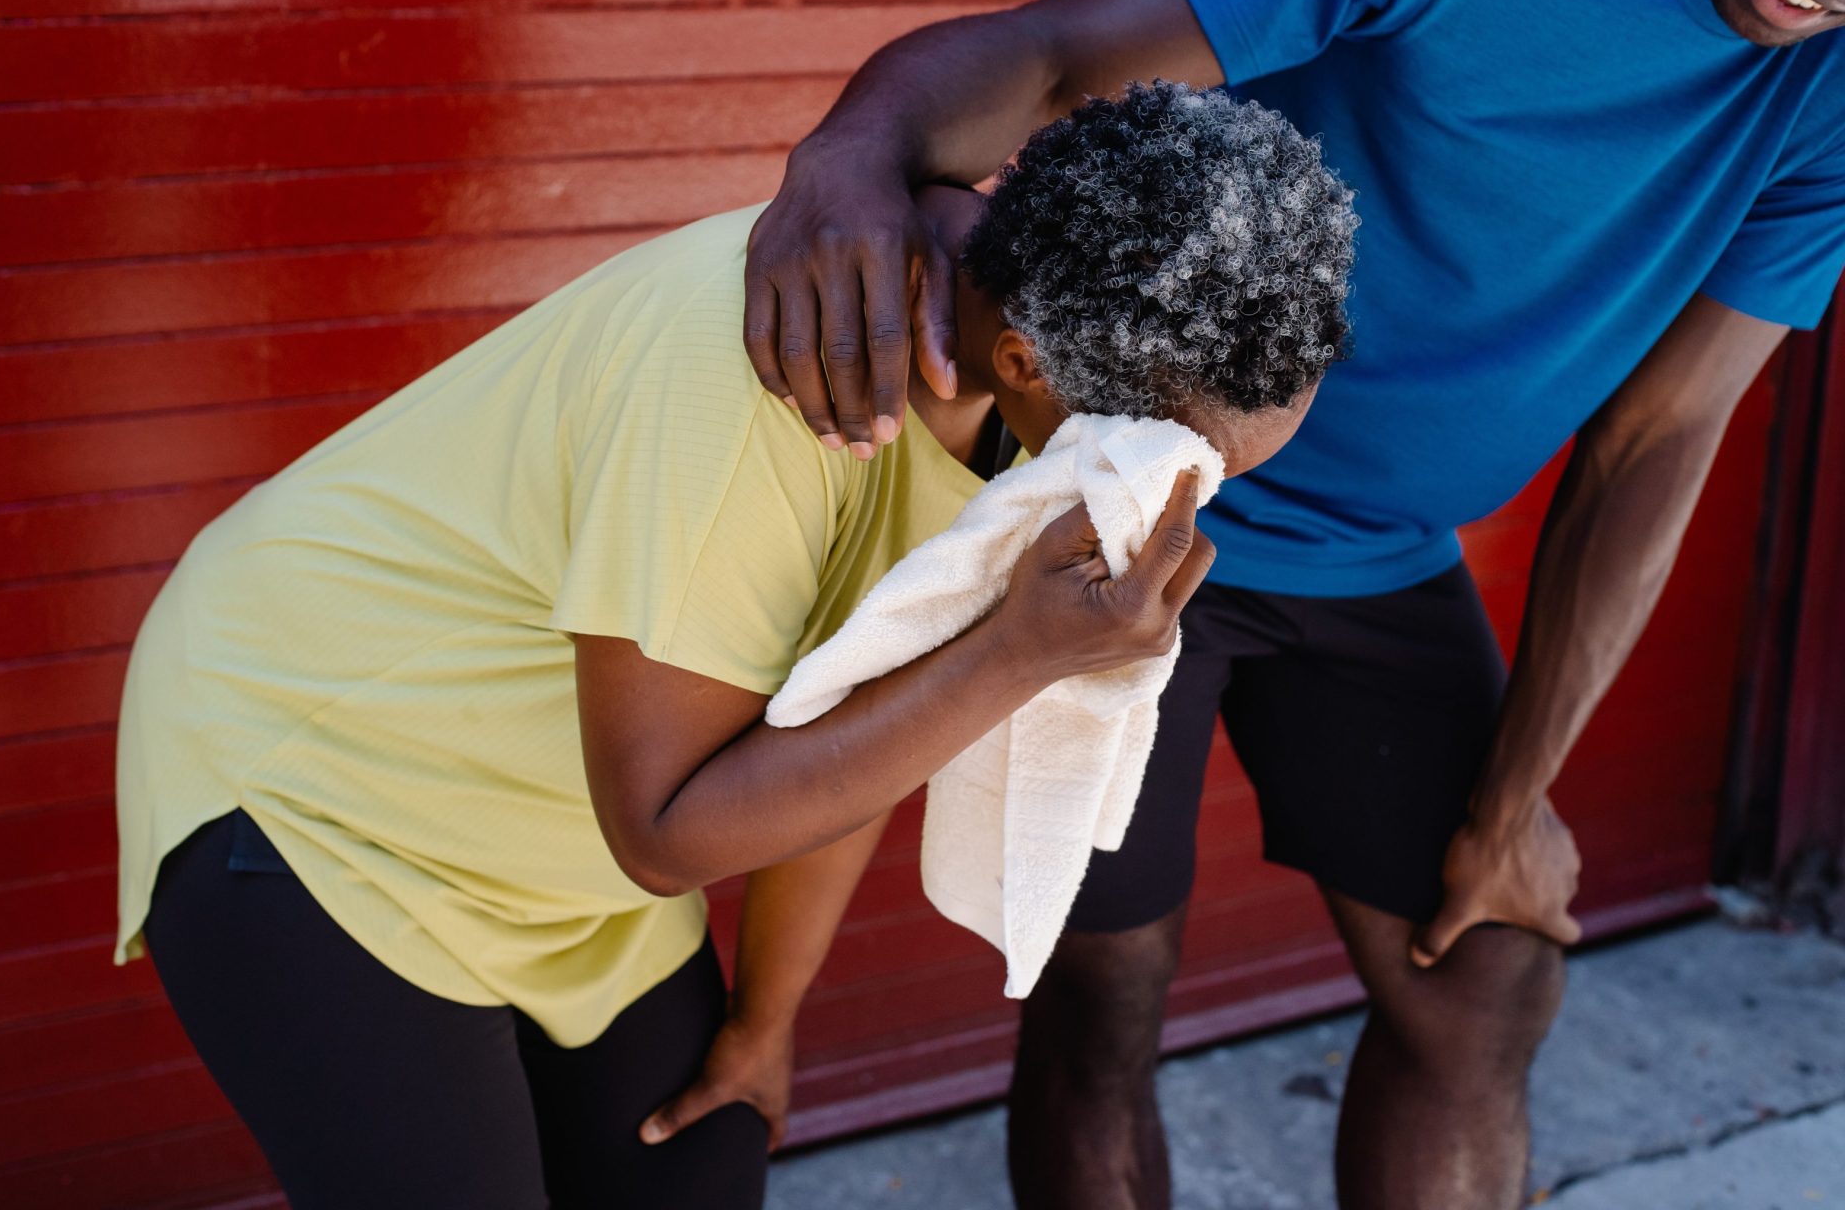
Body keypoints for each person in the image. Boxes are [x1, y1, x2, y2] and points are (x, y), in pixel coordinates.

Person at [741, 0, 1845, 1207]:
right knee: (1105, 981)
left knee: (1485, 974)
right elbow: (1049, 60)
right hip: (1125, 510)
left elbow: (1659, 435)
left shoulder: (1823, 96)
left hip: (1379, 556)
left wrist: (1515, 799)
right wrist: (848, 155)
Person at [112, 83, 1356, 1209]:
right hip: (322, 793)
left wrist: (765, 1014)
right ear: (1028, 360)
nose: (1190, 506)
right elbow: (665, 833)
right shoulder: (769, 378)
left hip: (560, 847)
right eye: (1188, 464)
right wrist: (1016, 656)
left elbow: (850, 720)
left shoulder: (1011, 419)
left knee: (700, 1172)